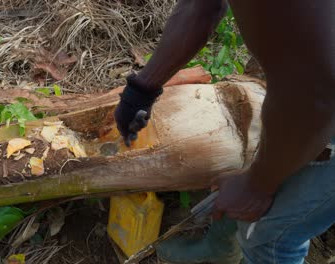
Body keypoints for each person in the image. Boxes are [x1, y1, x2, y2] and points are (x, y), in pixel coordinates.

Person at [114, 0, 335, 263]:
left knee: (267, 235)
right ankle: (220, 249)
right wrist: (141, 89)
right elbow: (201, 6)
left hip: (321, 97)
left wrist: (258, 186)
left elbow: (316, 95)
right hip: (314, 91)